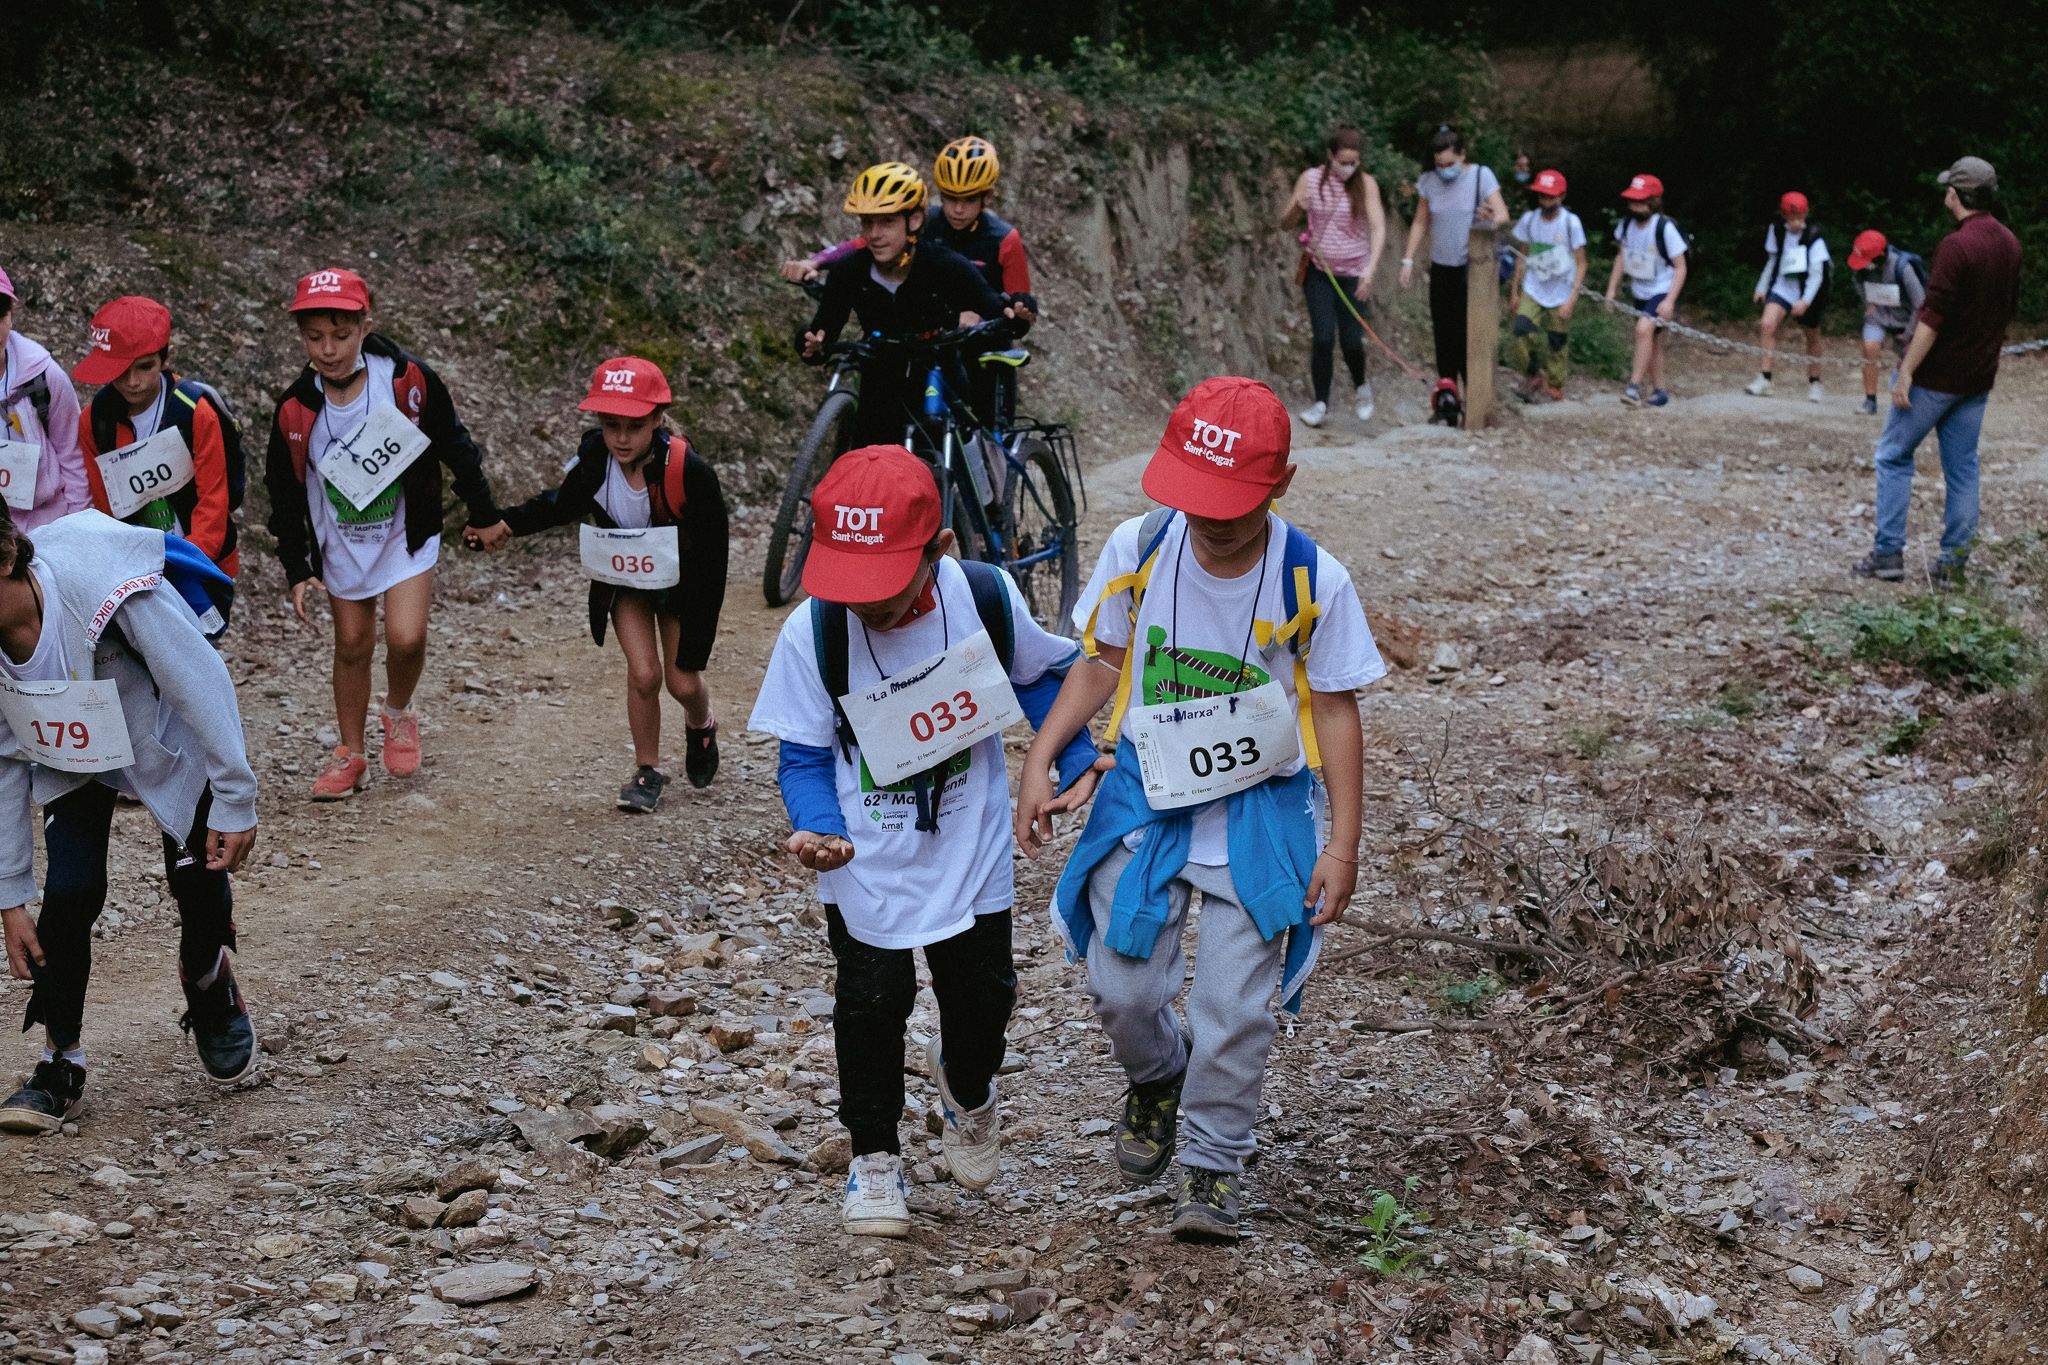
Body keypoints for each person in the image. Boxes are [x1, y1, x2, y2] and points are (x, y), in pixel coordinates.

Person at [1015, 377, 1383, 1243]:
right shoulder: (1139, 547)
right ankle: (1155, 1077)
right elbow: (1103, 660)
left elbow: (1335, 707)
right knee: (1122, 984)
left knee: (1237, 1006)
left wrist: (1345, 843)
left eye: (1235, 501)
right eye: (1196, 498)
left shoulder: (1313, 579)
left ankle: (1214, 1163)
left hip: (1258, 817)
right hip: (1148, 798)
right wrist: (1039, 756)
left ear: (1282, 481)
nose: (1212, 519)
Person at [748, 444, 1101, 1239]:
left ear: (938, 551)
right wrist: (821, 827)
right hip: (866, 858)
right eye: (850, 585)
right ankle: (874, 1155)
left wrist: (1077, 756)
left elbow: (1044, 678)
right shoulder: (817, 631)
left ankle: (967, 1085)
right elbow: (803, 754)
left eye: (883, 586)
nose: (866, 605)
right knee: (872, 1002)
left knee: (983, 995)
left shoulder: (981, 596)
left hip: (969, 846)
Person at [0, 506, 260, 1134]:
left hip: (159, 728)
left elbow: (200, 678)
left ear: (7, 557)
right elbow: (3, 764)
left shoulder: (104, 582)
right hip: (73, 748)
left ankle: (207, 977)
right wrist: (9, 895)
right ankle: (60, 1059)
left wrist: (233, 795)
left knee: (196, 879)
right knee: (70, 892)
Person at [262, 268, 508, 799]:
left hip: (403, 531)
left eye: (341, 335)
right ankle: (350, 753)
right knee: (351, 643)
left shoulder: (406, 382)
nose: (328, 350)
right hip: (340, 540)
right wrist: (297, 567)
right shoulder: (297, 407)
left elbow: (454, 442)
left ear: (365, 326)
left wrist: (483, 511)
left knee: (406, 636)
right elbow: (282, 492)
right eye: (314, 337)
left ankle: (397, 711)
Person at [480, 358, 728, 811]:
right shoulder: (597, 459)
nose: (621, 438)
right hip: (626, 582)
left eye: (634, 426)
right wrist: (505, 524)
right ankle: (647, 769)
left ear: (656, 418)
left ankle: (701, 723)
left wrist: (699, 636)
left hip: (679, 585)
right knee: (644, 673)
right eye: (610, 425)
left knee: (682, 681)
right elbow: (560, 504)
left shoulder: (689, 471)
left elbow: (714, 560)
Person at [785, 140, 1038, 434]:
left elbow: (1014, 300)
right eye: (949, 197)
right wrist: (815, 262)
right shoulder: (922, 222)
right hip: (927, 333)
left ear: (987, 198)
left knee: (987, 422)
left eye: (968, 200)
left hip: (981, 336)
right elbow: (855, 248)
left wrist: (1006, 313)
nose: (957, 209)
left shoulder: (1004, 239)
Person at [1855, 156, 2021, 587]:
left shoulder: (1957, 245)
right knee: (1963, 468)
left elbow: (1932, 316)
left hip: (1936, 377)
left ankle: (1888, 555)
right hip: (1978, 377)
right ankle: (1952, 565)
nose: (1945, 193)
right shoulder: (2009, 243)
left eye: (1950, 188)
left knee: (1892, 456)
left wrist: (1907, 370)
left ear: (1960, 195)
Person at [72, 296, 244, 577]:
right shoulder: (94, 421)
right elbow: (105, 505)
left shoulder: (195, 413)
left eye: (145, 366)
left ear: (165, 358)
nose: (133, 381)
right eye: (121, 370)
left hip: (202, 562)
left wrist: (188, 565)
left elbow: (213, 500)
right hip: (136, 568)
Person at [1281, 126, 1385, 428]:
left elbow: (1378, 227)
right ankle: (1320, 403)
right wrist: (1297, 209)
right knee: (1323, 337)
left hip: (1354, 273)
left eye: (1354, 162)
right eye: (1343, 161)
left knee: (1352, 340)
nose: (1348, 168)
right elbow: (1284, 222)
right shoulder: (1310, 179)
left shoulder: (1366, 184)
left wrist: (1370, 271)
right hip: (1319, 271)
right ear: (1330, 156)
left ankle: (1361, 387)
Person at [1399, 125, 1507, 395]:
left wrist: (1489, 216)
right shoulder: (1429, 181)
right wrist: (1408, 259)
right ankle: (1448, 392)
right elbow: (1421, 221)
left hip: (1471, 267)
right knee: (1443, 331)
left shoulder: (1481, 176)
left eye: (1449, 163)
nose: (1444, 169)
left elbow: (1502, 214)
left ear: (1463, 156)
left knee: (1465, 331)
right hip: (1441, 266)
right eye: (1439, 164)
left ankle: (1475, 391)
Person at [0, 267, 87, 534]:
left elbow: (72, 455)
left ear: (11, 317)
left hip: (49, 526)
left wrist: (77, 529)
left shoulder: (43, 376)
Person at [1602, 174, 1689, 408]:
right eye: (1633, 201)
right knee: (1654, 342)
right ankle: (1659, 390)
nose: (1635, 206)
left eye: (1641, 201)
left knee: (1643, 331)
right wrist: (1611, 289)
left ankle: (1633, 387)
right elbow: (1621, 257)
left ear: (1654, 202)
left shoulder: (1665, 228)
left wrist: (1670, 301)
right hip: (1640, 289)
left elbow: (1681, 267)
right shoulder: (1627, 225)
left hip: (1662, 289)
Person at [1505, 168, 1588, 402]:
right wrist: (1515, 291)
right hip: (1533, 286)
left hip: (1561, 290)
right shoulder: (1529, 220)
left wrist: (1571, 299)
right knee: (1521, 329)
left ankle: (1555, 382)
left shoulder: (1571, 223)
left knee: (1557, 339)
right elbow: (1522, 256)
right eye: (1542, 196)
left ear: (1561, 197)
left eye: (1551, 196)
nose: (1546, 201)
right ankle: (1532, 372)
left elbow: (1581, 263)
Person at [1744, 192, 1833, 403]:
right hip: (1783, 286)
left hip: (1808, 290)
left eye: (1800, 216)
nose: (1796, 222)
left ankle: (1815, 381)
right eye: (1791, 217)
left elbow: (1817, 274)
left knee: (1811, 336)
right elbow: (1772, 260)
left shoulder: (1814, 236)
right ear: (1784, 215)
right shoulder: (1775, 231)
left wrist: (1805, 301)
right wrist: (1761, 287)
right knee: (1767, 325)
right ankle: (1765, 377)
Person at [1848, 229, 1928, 415]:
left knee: (1910, 360)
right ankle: (1870, 401)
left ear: (1880, 256)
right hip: (1878, 316)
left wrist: (1907, 334)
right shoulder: (1860, 267)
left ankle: (1913, 402)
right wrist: (1868, 302)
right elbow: (1857, 282)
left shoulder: (1902, 268)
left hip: (1907, 320)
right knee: (1870, 348)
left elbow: (1920, 304)